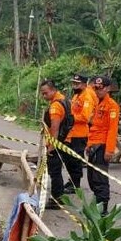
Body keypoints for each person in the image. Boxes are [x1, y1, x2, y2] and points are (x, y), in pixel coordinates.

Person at [86, 75, 120, 213]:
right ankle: (97, 203)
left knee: (100, 179)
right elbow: (92, 127)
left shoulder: (112, 106)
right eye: (95, 88)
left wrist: (109, 150)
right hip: (93, 145)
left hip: (102, 146)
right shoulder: (96, 103)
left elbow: (112, 129)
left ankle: (103, 209)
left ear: (107, 89)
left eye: (100, 88)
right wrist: (88, 144)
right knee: (91, 178)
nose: (97, 91)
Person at [39, 79, 71, 209]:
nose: (43, 96)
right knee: (56, 170)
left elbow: (55, 128)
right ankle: (58, 196)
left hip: (56, 144)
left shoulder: (56, 106)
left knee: (55, 172)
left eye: (45, 93)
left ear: (52, 90)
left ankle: (57, 199)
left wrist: (51, 147)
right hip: (64, 140)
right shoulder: (64, 99)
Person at [65, 73, 97, 193]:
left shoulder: (86, 97)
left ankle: (75, 185)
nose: (74, 85)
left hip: (80, 134)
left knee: (75, 160)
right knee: (69, 159)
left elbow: (85, 117)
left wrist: (70, 118)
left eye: (77, 84)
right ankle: (72, 181)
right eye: (73, 83)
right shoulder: (77, 96)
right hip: (72, 133)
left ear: (84, 84)